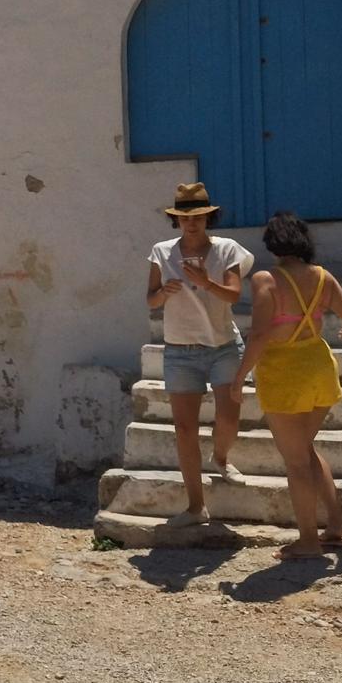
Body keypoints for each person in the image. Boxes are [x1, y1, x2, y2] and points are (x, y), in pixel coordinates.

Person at [235, 212, 342, 559]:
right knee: (305, 450)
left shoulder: (266, 280)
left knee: (295, 461)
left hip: (284, 375)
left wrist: (239, 378)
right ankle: (337, 525)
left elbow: (260, 334)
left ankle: (308, 540)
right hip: (319, 369)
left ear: (272, 244)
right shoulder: (323, 278)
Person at [146, 182, 255, 524]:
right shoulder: (161, 252)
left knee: (229, 416)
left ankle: (221, 458)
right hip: (180, 349)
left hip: (223, 345)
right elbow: (150, 300)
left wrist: (206, 282)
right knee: (184, 429)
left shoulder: (227, 249)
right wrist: (164, 291)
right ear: (176, 220)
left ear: (209, 218)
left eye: (198, 217)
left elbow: (234, 295)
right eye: (184, 217)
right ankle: (196, 506)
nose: (191, 224)